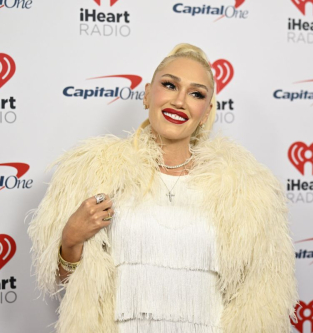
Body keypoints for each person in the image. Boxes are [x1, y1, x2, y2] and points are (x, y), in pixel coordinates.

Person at [28, 43, 297, 333]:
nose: (180, 101)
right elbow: (72, 287)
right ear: (147, 94)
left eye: (196, 94)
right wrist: (70, 239)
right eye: (170, 85)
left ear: (205, 113)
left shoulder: (246, 191)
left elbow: (263, 297)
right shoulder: (95, 174)